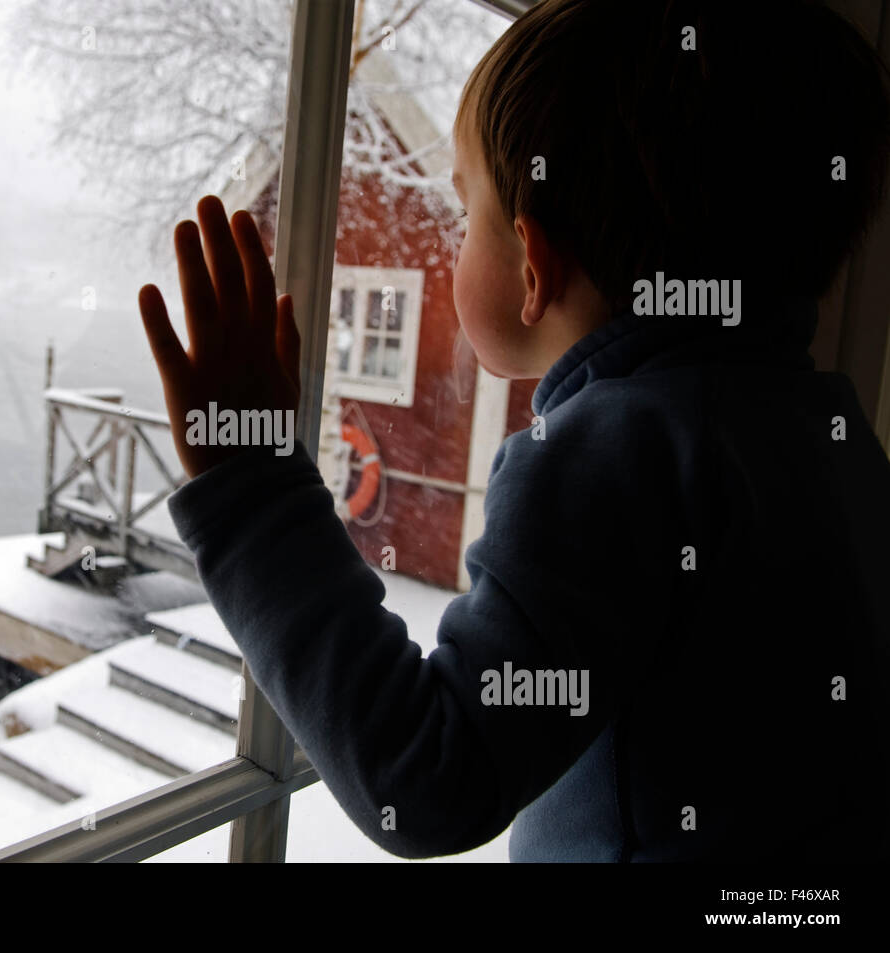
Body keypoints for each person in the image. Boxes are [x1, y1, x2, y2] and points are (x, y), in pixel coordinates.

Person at [135, 0, 890, 861]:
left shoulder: (617, 453)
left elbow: (427, 776)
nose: (459, 238)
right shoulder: (828, 428)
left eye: (467, 215)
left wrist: (253, 494)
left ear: (533, 264)